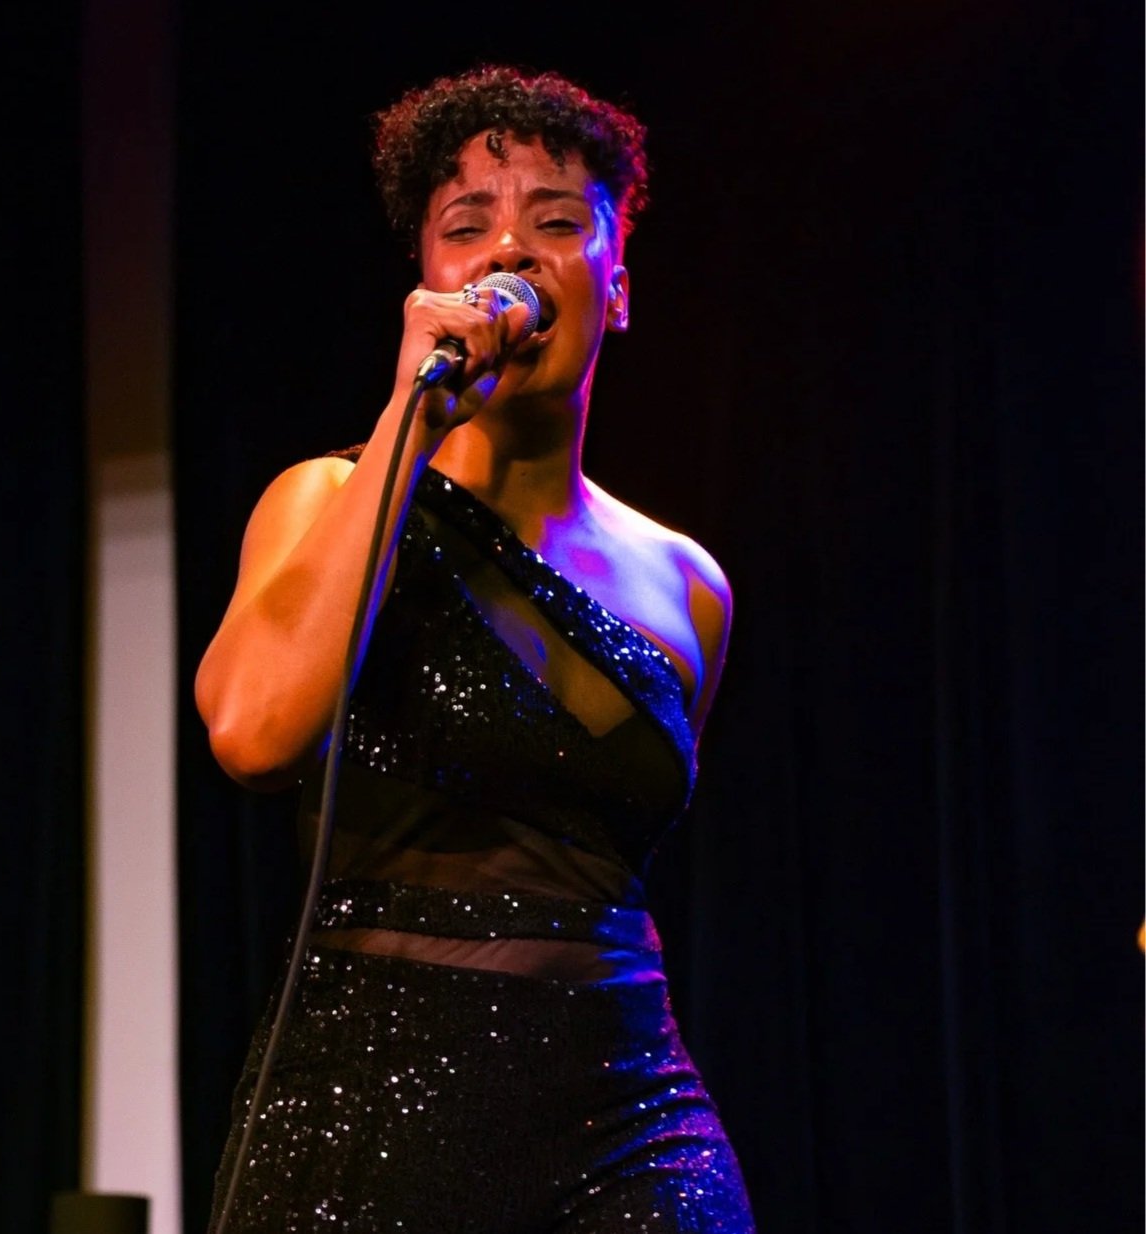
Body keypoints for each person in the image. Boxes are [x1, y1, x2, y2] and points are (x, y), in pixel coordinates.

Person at [195, 64, 756, 1233]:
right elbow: (253, 731)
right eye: (467, 226)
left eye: (557, 221)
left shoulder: (685, 585)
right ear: (428, 281)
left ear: (619, 286)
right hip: (375, 1098)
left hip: (628, 1109)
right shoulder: (328, 497)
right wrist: (412, 422)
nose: (511, 249)